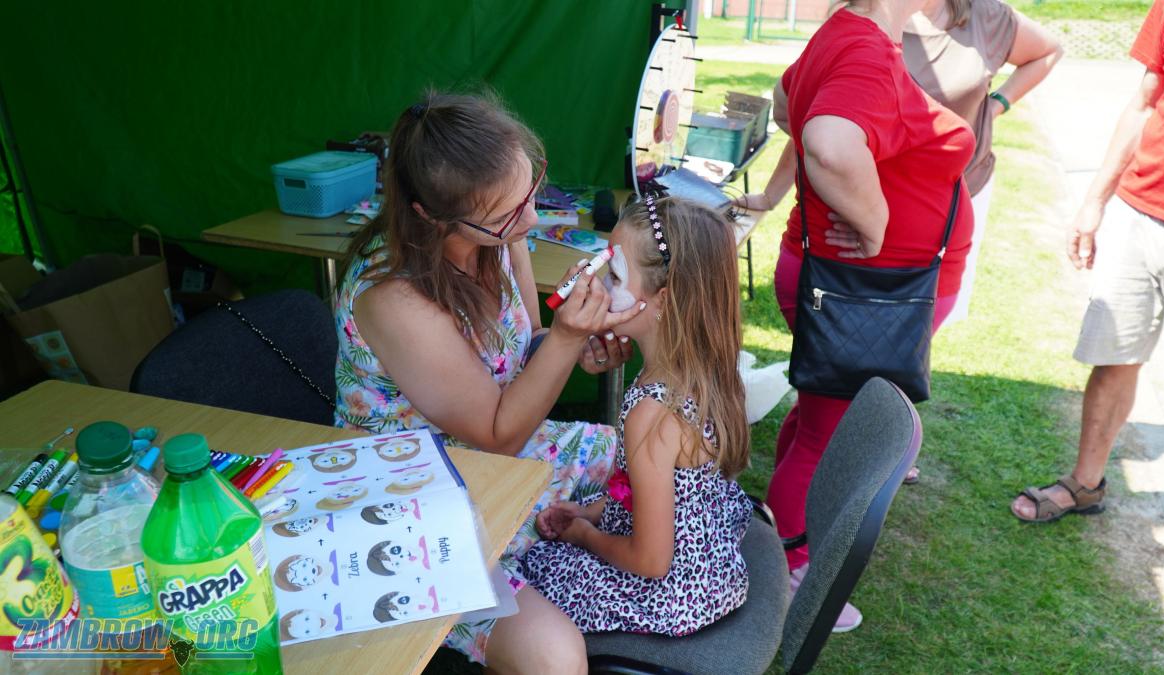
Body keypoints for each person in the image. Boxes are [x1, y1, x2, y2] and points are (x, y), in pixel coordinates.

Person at [332, 92, 645, 673]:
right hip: (414, 493)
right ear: (432, 215)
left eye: (530, 193)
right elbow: (497, 434)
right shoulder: (392, 296)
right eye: (508, 215)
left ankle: (575, 550)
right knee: (554, 659)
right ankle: (555, 561)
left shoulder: (498, 232)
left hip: (500, 458)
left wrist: (572, 350)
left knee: (659, 455)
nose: (531, 221)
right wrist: (567, 340)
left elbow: (523, 350)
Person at [756, 0, 977, 631]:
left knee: (819, 418)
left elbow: (786, 103)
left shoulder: (850, 31)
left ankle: (778, 540)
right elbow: (826, 142)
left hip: (864, 289)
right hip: (868, 292)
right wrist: (875, 221)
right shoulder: (865, 48)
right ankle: (786, 573)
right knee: (826, 435)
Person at [522, 195, 754, 635]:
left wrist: (584, 535)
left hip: (667, 595)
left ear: (663, 300)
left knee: (531, 569)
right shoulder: (705, 373)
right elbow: (669, 496)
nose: (597, 285)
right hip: (708, 574)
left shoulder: (652, 414)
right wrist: (589, 512)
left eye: (613, 275)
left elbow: (650, 561)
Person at [1010, 0, 1164, 526]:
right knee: (1114, 354)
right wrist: (1095, 201)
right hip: (1140, 213)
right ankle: (1085, 484)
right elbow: (1143, 105)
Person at [903, 0, 1062, 327]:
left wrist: (997, 104)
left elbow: (1048, 51)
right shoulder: (867, 12)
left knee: (927, 318)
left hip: (958, 193)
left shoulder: (986, 16)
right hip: (878, 194)